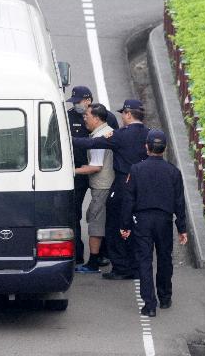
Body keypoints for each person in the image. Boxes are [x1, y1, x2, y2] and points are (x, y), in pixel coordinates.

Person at [72, 99, 149, 280]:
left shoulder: (121, 135)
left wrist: (69, 139)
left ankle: (121, 268)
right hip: (142, 185)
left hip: (122, 183)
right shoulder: (148, 133)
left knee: (116, 225)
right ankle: (135, 264)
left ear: (129, 114)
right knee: (136, 226)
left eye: (123, 113)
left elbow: (92, 144)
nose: (122, 117)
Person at [121, 129, 188, 317]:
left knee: (144, 260)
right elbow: (179, 202)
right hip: (164, 220)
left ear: (146, 147)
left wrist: (125, 225)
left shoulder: (136, 169)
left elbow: (129, 200)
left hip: (142, 220)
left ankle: (149, 304)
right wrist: (181, 228)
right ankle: (165, 297)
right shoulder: (174, 172)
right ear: (164, 148)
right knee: (165, 258)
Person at [66, 86, 118, 265]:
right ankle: (77, 254)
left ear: (88, 101)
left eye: (78, 102)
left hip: (99, 173)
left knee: (102, 214)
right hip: (79, 172)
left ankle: (102, 254)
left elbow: (115, 143)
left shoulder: (106, 118)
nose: (76, 107)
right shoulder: (68, 116)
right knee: (73, 213)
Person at [74, 103, 115, 273]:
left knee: (95, 225)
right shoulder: (107, 131)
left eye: (87, 116)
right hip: (106, 185)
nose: (84, 118)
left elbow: (96, 166)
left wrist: (72, 170)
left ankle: (93, 263)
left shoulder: (100, 138)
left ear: (97, 118)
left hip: (102, 186)